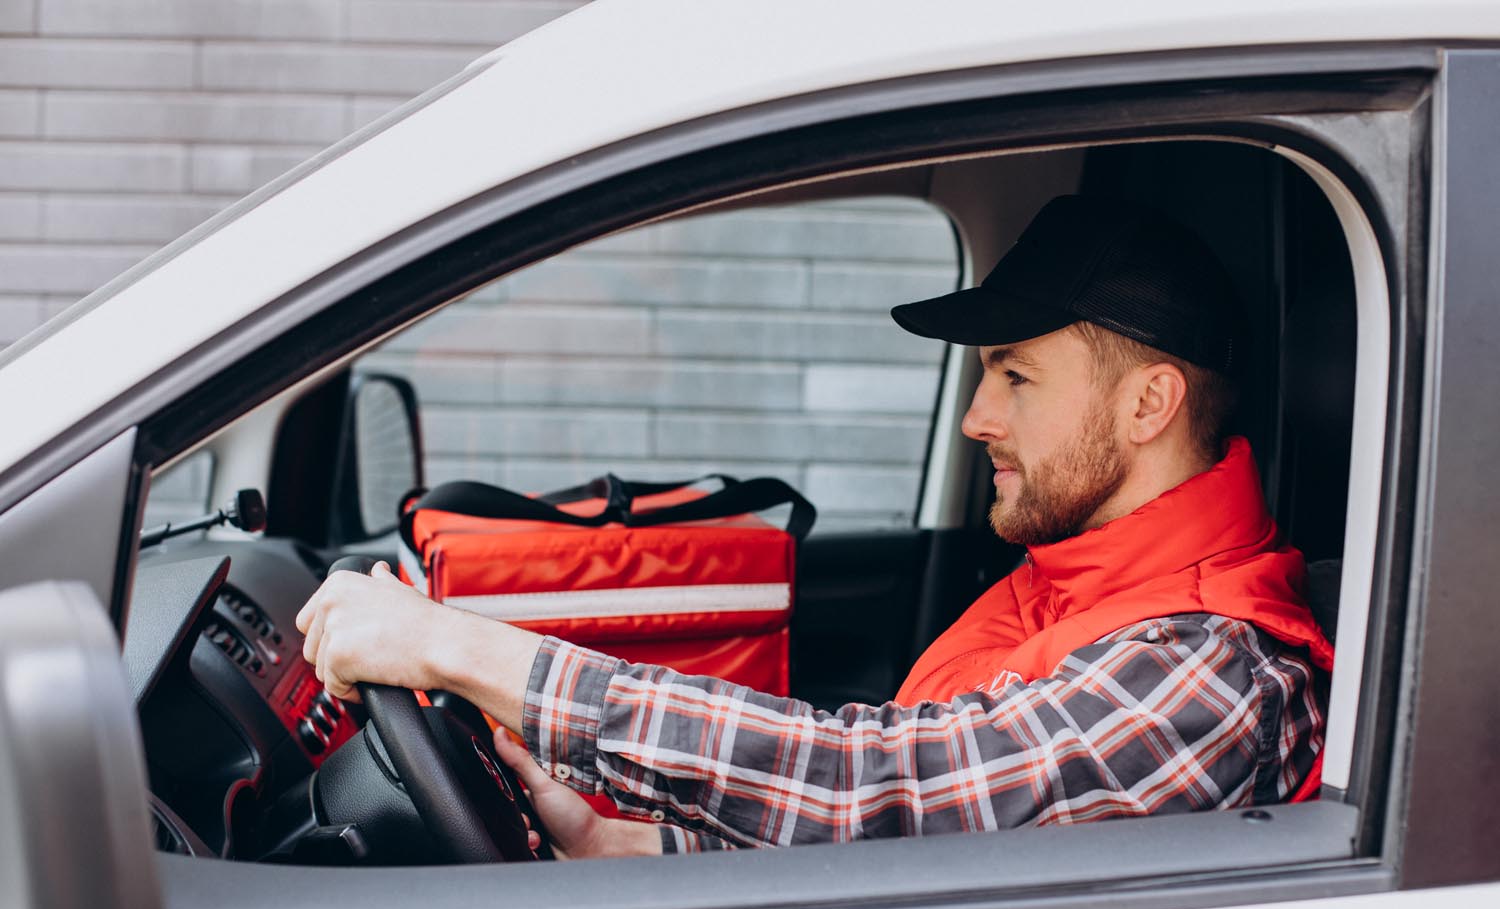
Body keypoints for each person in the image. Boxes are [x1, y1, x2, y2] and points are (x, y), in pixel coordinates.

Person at [297, 195, 1332, 858]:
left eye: (1016, 376)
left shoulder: (1208, 672)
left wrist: (462, 649)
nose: (977, 417)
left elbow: (886, 789)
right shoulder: (1074, 582)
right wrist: (622, 844)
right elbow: (908, 840)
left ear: (1148, 405)